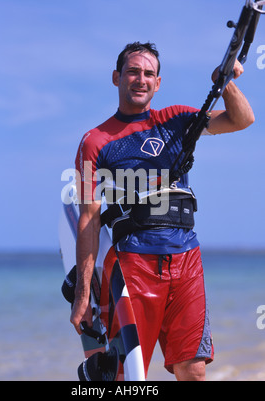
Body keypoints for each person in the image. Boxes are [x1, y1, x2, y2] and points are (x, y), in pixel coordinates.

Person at [70, 42, 255, 381]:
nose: (141, 79)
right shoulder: (95, 141)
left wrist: (225, 82)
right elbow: (89, 218)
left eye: (149, 74)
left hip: (186, 259)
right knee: (127, 375)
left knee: (193, 369)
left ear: (158, 83)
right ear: (117, 78)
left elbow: (242, 120)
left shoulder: (177, 121)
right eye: (133, 72)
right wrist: (84, 291)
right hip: (132, 266)